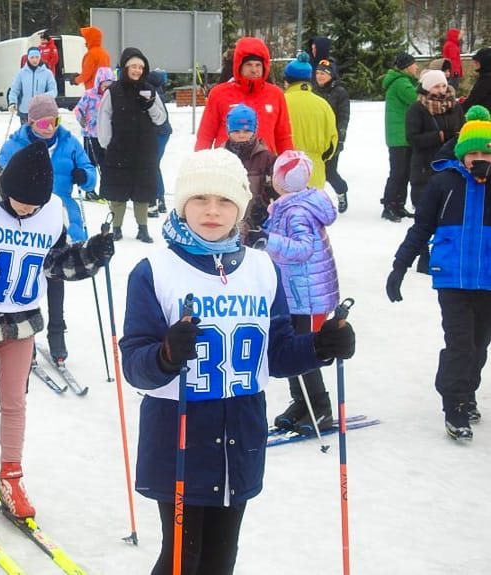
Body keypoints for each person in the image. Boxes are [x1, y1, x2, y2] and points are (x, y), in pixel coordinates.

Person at [119, 148, 355, 575]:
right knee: (182, 559)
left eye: (225, 200)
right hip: (180, 432)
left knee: (220, 559)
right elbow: (135, 364)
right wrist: (166, 353)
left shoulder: (262, 269)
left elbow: (277, 354)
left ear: (240, 207)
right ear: (182, 204)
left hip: (241, 434)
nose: (213, 211)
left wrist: (321, 345)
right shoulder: (155, 271)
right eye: (200, 198)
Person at [0, 140, 114, 520]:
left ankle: (11, 477)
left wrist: (91, 254)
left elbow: (57, 264)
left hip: (22, 321)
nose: (28, 210)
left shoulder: (53, 211)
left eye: (35, 205)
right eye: (22, 202)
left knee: (15, 403)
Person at [386, 105, 491, 442]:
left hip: (487, 280)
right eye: (472, 153)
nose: (478, 159)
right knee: (460, 344)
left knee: (479, 345)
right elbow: (421, 227)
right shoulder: (443, 183)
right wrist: (400, 265)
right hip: (452, 280)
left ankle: (467, 392)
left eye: (485, 153)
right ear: (461, 154)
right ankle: (454, 404)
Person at [0, 94, 97, 361]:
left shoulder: (69, 143)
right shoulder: (16, 144)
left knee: (56, 274)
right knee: (26, 276)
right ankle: (23, 335)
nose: (49, 128)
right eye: (43, 123)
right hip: (24, 218)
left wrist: (84, 176)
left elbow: (90, 173)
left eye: (54, 122)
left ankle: (57, 333)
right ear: (30, 123)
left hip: (59, 216)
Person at [264, 150, 340, 434]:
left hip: (308, 297)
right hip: (295, 293)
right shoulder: (287, 205)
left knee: (305, 349)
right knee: (289, 347)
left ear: (282, 180)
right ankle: (301, 402)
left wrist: (268, 240)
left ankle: (320, 407)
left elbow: (303, 249)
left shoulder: (297, 211)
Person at [98, 48, 167, 243]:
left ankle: (143, 228)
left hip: (144, 149)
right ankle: (116, 227)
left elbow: (161, 119)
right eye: (133, 66)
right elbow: (104, 117)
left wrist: (150, 104)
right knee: (118, 191)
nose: (137, 70)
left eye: (140, 67)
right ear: (125, 68)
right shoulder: (113, 91)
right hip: (119, 147)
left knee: (142, 191)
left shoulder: (150, 90)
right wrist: (106, 142)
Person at [405, 69, 465, 273]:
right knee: (424, 215)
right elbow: (413, 138)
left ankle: (444, 255)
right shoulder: (417, 109)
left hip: (450, 167)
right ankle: (423, 256)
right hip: (425, 167)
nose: (441, 90)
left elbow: (463, 130)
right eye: (436, 86)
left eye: (443, 85)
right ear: (427, 87)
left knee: (447, 214)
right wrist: (439, 136)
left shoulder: (455, 107)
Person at [195, 37, 294, 155]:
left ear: (264, 67)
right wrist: (199, 162)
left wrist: (289, 162)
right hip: (228, 164)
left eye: (258, 65)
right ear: (239, 66)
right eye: (249, 64)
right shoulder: (219, 94)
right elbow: (205, 136)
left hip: (264, 164)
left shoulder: (276, 95)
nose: (254, 70)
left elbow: (283, 138)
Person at [222, 103, 276, 247]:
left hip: (257, 222)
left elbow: (277, 190)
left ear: (254, 130)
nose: (241, 135)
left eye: (246, 131)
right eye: (236, 131)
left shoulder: (266, 158)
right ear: (228, 130)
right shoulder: (221, 156)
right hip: (227, 221)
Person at [282, 52, 338, 191]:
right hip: (315, 172)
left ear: (287, 81)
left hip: (286, 173)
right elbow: (332, 143)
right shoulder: (323, 105)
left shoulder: (281, 103)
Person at [381, 52, 419, 222]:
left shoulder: (403, 81)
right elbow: (417, 100)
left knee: (404, 172)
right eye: (414, 64)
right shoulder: (401, 83)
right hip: (400, 136)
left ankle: (398, 204)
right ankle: (390, 205)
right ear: (406, 67)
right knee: (398, 172)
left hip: (401, 135)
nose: (416, 67)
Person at [314, 57, 351, 213]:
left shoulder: (339, 92)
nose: (320, 76)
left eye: (323, 73)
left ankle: (341, 191)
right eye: (318, 73)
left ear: (331, 75)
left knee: (329, 172)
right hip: (314, 138)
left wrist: (340, 140)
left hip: (331, 139)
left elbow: (343, 117)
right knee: (312, 172)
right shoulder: (312, 90)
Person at [73, 66, 114, 201]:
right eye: (104, 85)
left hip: (106, 135)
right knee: (90, 162)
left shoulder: (112, 96)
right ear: (99, 84)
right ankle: (89, 190)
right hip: (90, 133)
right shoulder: (90, 95)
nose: (106, 89)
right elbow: (78, 109)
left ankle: (106, 190)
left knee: (106, 163)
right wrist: (81, 119)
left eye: (110, 86)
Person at [8, 47, 57, 125]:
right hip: (25, 111)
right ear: (28, 58)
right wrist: (13, 102)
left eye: (37, 57)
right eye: (32, 57)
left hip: (42, 111)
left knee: (40, 132)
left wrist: (42, 98)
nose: (34, 60)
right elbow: (14, 90)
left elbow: (53, 91)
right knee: (26, 132)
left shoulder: (47, 73)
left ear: (40, 57)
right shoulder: (21, 73)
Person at [147, 68, 172, 218]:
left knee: (152, 165)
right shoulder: (159, 91)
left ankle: (156, 197)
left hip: (157, 132)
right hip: (163, 132)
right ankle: (160, 198)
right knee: (154, 165)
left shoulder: (150, 92)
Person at [462, 48, 491, 112]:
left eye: (477, 61)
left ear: (485, 62)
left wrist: (458, 110)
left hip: (482, 115)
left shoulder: (486, 80)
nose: (475, 63)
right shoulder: (485, 77)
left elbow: (473, 101)